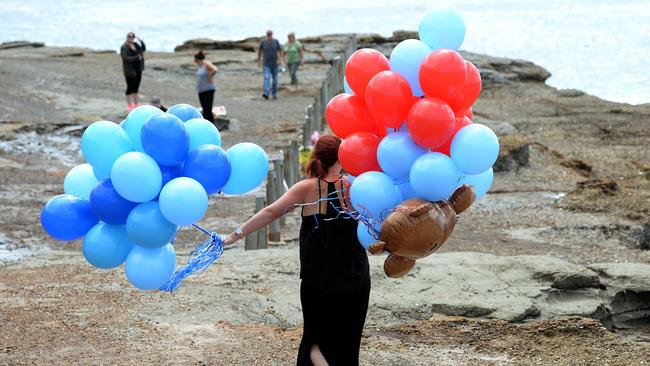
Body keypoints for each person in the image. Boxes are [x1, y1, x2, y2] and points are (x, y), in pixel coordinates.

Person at [223, 135, 371, 366]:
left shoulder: (306, 188)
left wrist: (234, 235)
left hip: (318, 281)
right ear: (342, 157)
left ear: (317, 156)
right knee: (347, 343)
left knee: (314, 342)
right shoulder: (355, 187)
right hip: (355, 278)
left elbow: (271, 212)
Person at [120, 32, 145, 111]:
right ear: (127, 37)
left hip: (138, 69)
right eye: (129, 37)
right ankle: (129, 105)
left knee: (136, 88)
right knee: (129, 87)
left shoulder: (136, 45)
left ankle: (136, 104)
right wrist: (136, 57)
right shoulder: (124, 47)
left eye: (132, 37)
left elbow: (143, 49)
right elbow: (125, 58)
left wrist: (140, 40)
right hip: (130, 71)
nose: (131, 38)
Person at [257, 29, 283, 100]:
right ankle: (266, 93)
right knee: (266, 77)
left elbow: (280, 50)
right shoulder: (263, 42)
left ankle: (274, 93)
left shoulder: (276, 42)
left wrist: (280, 59)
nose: (269, 36)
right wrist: (259, 61)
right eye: (268, 34)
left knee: (275, 80)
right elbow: (259, 51)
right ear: (266, 35)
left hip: (275, 64)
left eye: (270, 34)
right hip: (266, 64)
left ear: (272, 34)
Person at [194, 50, 218, 123]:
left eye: (195, 60)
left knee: (208, 110)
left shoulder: (206, 63)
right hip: (201, 90)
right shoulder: (200, 65)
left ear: (198, 59)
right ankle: (206, 123)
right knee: (204, 109)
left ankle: (211, 124)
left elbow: (215, 69)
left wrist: (209, 77)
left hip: (208, 90)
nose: (195, 61)